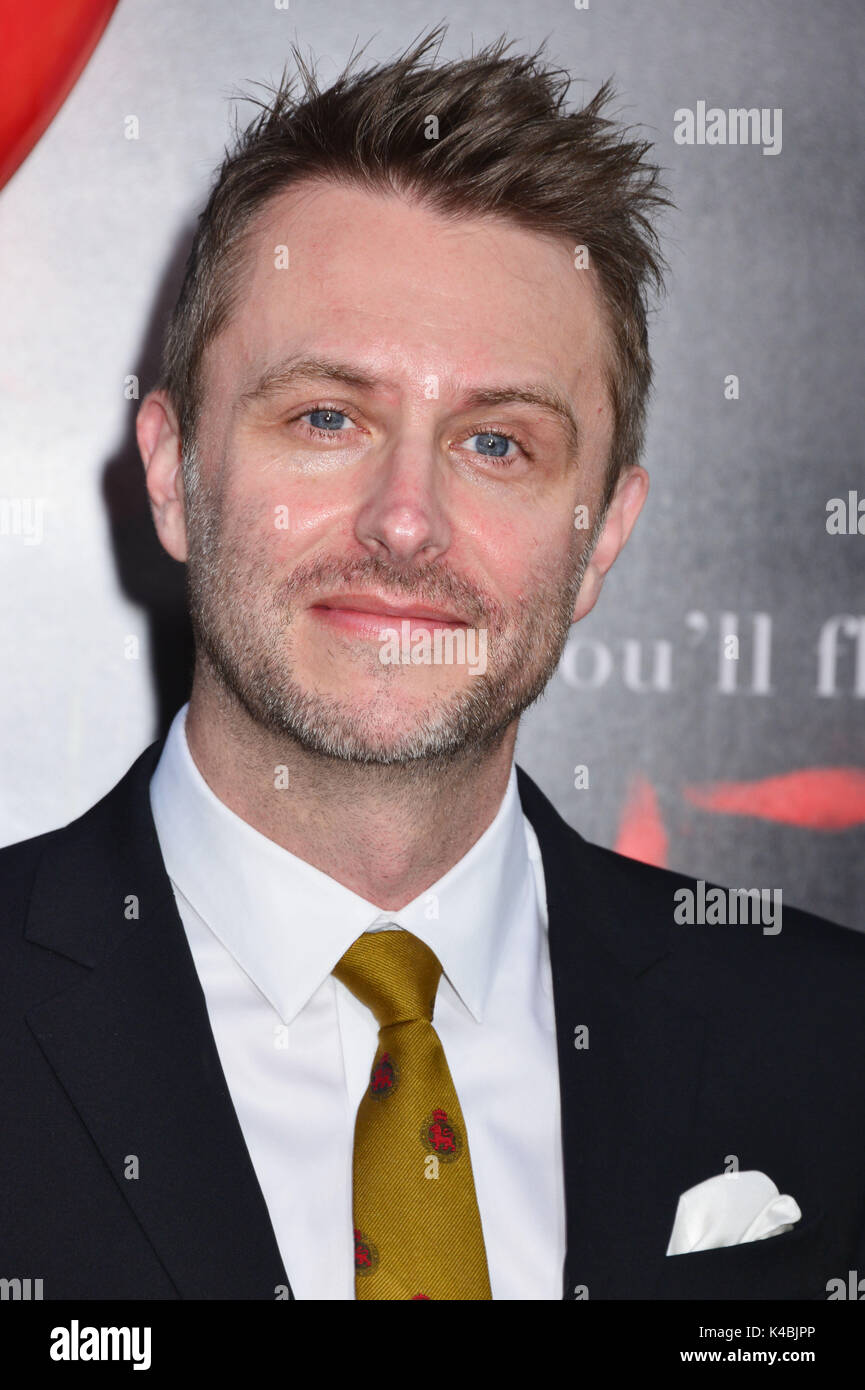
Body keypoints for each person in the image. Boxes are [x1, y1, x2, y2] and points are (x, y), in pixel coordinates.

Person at [3, 26, 864, 1302]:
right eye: (327, 417)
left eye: (498, 444)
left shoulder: (831, 1043)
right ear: (175, 473)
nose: (403, 521)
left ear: (601, 536)